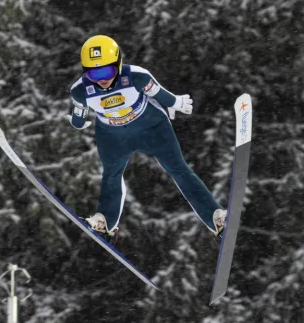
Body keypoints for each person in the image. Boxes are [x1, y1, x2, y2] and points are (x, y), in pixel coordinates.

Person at [69, 34, 226, 243]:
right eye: (93, 73)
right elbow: (78, 115)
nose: (101, 80)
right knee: (111, 175)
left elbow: (159, 93)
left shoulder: (137, 76)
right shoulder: (80, 91)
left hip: (151, 127)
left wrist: (175, 102)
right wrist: (78, 123)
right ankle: (105, 222)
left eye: (106, 71)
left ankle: (215, 217)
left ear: (118, 63)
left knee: (178, 169)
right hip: (113, 136)